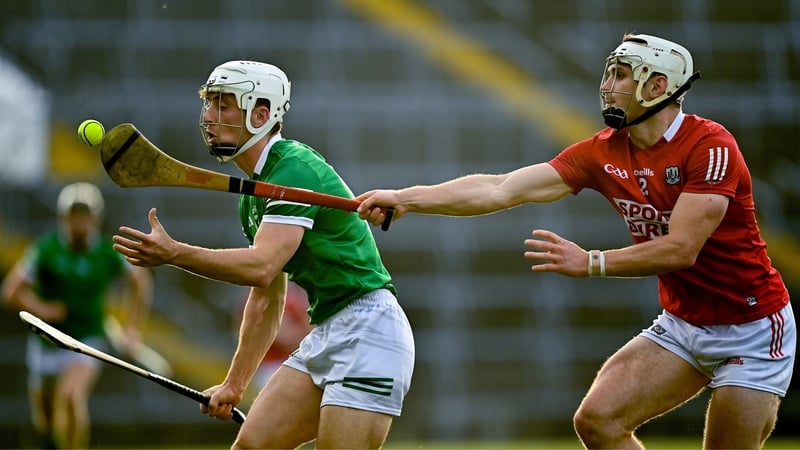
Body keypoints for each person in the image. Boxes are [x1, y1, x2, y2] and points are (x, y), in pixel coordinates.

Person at [357, 33, 795, 449]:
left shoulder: (710, 146)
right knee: (597, 420)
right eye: (609, 74)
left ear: (658, 85)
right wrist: (406, 199)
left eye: (621, 74)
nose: (607, 86)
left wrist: (593, 262)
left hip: (751, 329)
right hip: (684, 324)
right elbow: (501, 187)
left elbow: (682, 248)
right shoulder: (602, 151)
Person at [111, 60, 415, 449]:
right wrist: (235, 384)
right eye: (209, 103)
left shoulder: (293, 169)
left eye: (224, 105)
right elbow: (267, 297)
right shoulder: (255, 195)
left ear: (261, 114)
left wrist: (175, 254)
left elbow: (261, 266)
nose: (209, 115)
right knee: (251, 446)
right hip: (328, 330)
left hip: (369, 332)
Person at [2, 182, 153, 449]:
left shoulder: (107, 252)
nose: (80, 221)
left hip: (87, 340)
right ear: (64, 218)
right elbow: (11, 292)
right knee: (46, 421)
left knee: (72, 397)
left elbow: (141, 283)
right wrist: (43, 309)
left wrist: (131, 328)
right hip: (47, 342)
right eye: (75, 215)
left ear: (96, 218)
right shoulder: (45, 250)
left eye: (86, 215)